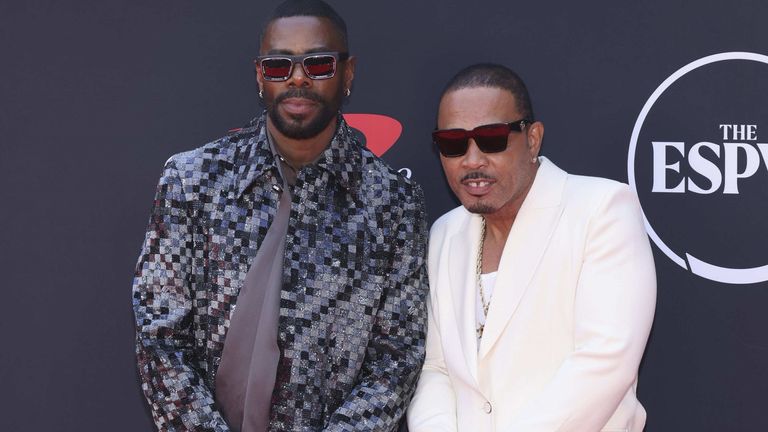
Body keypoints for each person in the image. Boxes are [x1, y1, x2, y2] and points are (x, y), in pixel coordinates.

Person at [132, 1, 429, 430]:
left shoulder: (393, 203)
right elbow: (160, 338)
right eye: (278, 66)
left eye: (319, 63)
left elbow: (397, 359)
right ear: (259, 77)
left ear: (348, 74)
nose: (297, 77)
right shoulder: (191, 181)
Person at [407, 63, 656, 432]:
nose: (472, 160)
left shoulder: (601, 210)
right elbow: (435, 368)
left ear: (533, 138)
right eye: (453, 143)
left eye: (491, 138)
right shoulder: (445, 233)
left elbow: (604, 361)